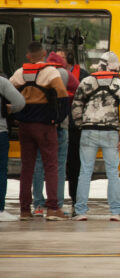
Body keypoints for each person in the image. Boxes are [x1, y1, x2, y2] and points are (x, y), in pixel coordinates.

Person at [10, 41, 69, 221]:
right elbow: (62, 93)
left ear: (28, 56)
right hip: (44, 125)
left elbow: (9, 95)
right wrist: (58, 118)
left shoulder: (19, 73)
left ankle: (25, 210)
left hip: (25, 126)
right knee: (51, 165)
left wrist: (15, 117)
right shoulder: (50, 72)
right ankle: (52, 209)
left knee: (27, 167)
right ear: (43, 53)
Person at [71, 51, 120, 221]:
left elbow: (76, 105)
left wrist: (79, 125)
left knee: (85, 171)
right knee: (112, 172)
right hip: (110, 131)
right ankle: (116, 211)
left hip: (88, 130)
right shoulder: (119, 84)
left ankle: (80, 210)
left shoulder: (87, 81)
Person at [31, 52, 74, 216]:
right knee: (59, 165)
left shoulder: (36, 73)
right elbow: (76, 88)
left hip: (41, 124)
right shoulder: (63, 73)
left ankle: (38, 205)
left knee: (39, 163)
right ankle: (56, 205)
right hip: (60, 125)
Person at [63, 51, 88, 210]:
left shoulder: (84, 75)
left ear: (69, 60)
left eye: (61, 58)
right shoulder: (55, 74)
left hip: (76, 127)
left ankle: (76, 198)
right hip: (61, 122)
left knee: (75, 164)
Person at [0, 76, 25, 221]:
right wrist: (9, 109)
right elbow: (20, 102)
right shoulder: (2, 82)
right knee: (1, 170)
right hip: (0, 132)